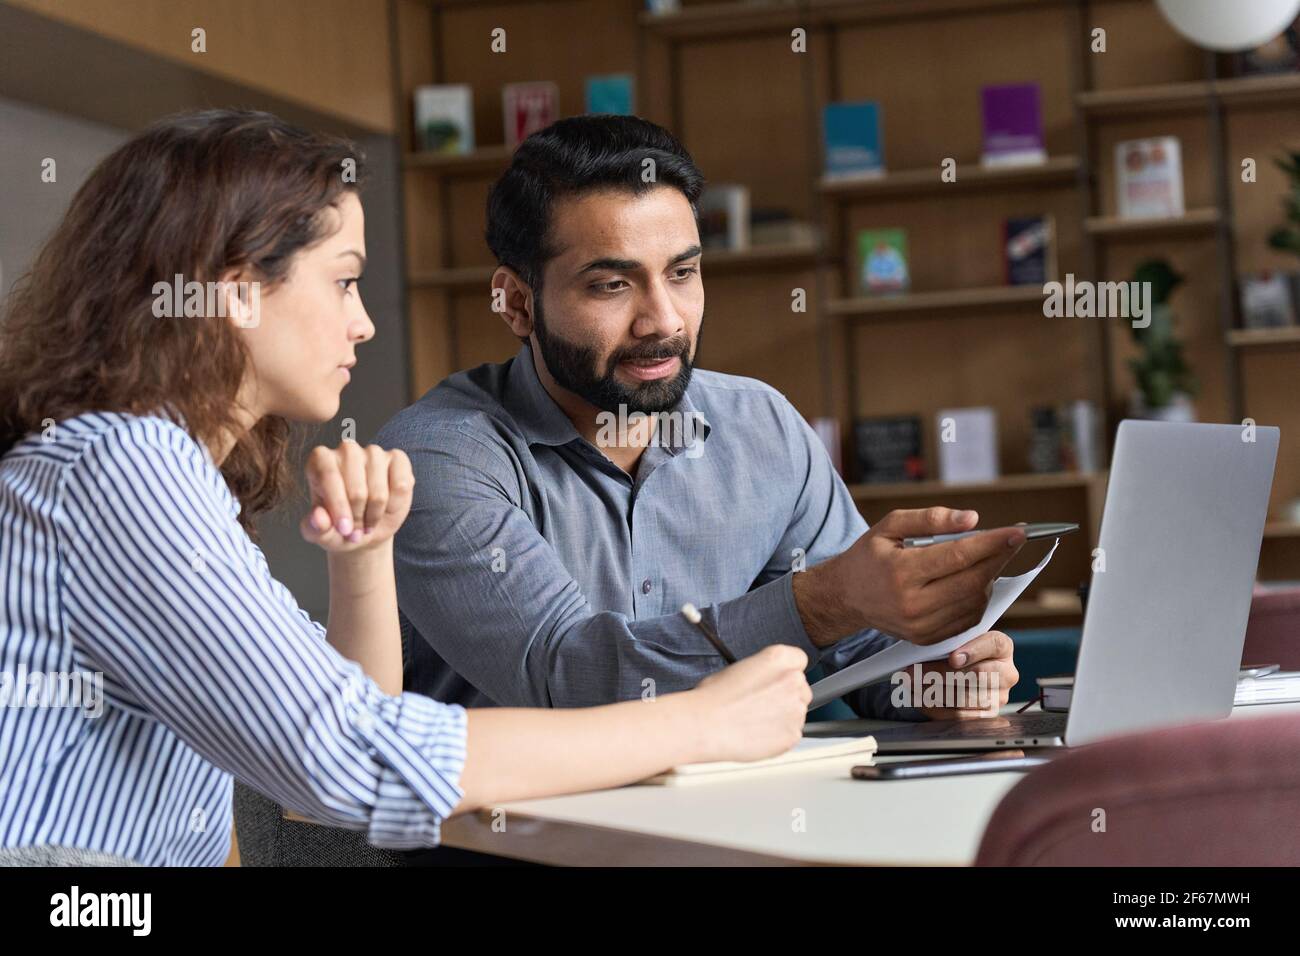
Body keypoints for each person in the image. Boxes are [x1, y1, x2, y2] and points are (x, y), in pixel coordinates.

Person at [0, 110, 812, 867]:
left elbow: (343, 751)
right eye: (343, 281)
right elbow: (353, 762)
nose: (364, 323)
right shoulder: (123, 467)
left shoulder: (141, 469)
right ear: (236, 290)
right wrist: (699, 722)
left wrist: (363, 561)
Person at [377, 114, 1025, 722]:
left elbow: (857, 657)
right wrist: (824, 599)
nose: (664, 320)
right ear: (518, 303)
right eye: (612, 285)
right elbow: (568, 678)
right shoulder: (438, 458)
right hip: (504, 838)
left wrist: (940, 675)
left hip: (734, 824)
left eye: (682, 272)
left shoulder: (762, 429)